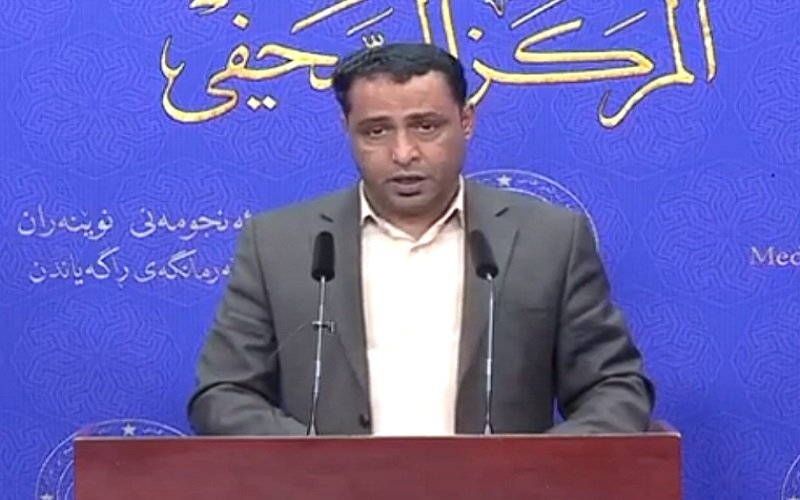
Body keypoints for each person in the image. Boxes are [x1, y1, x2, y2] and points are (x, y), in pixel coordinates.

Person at [188, 42, 655, 436]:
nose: (403, 153)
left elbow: (614, 388)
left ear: (466, 121)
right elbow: (223, 394)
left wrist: (531, 469)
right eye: (376, 131)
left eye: (426, 126)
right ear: (347, 130)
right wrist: (325, 465)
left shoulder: (549, 239)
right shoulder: (278, 246)